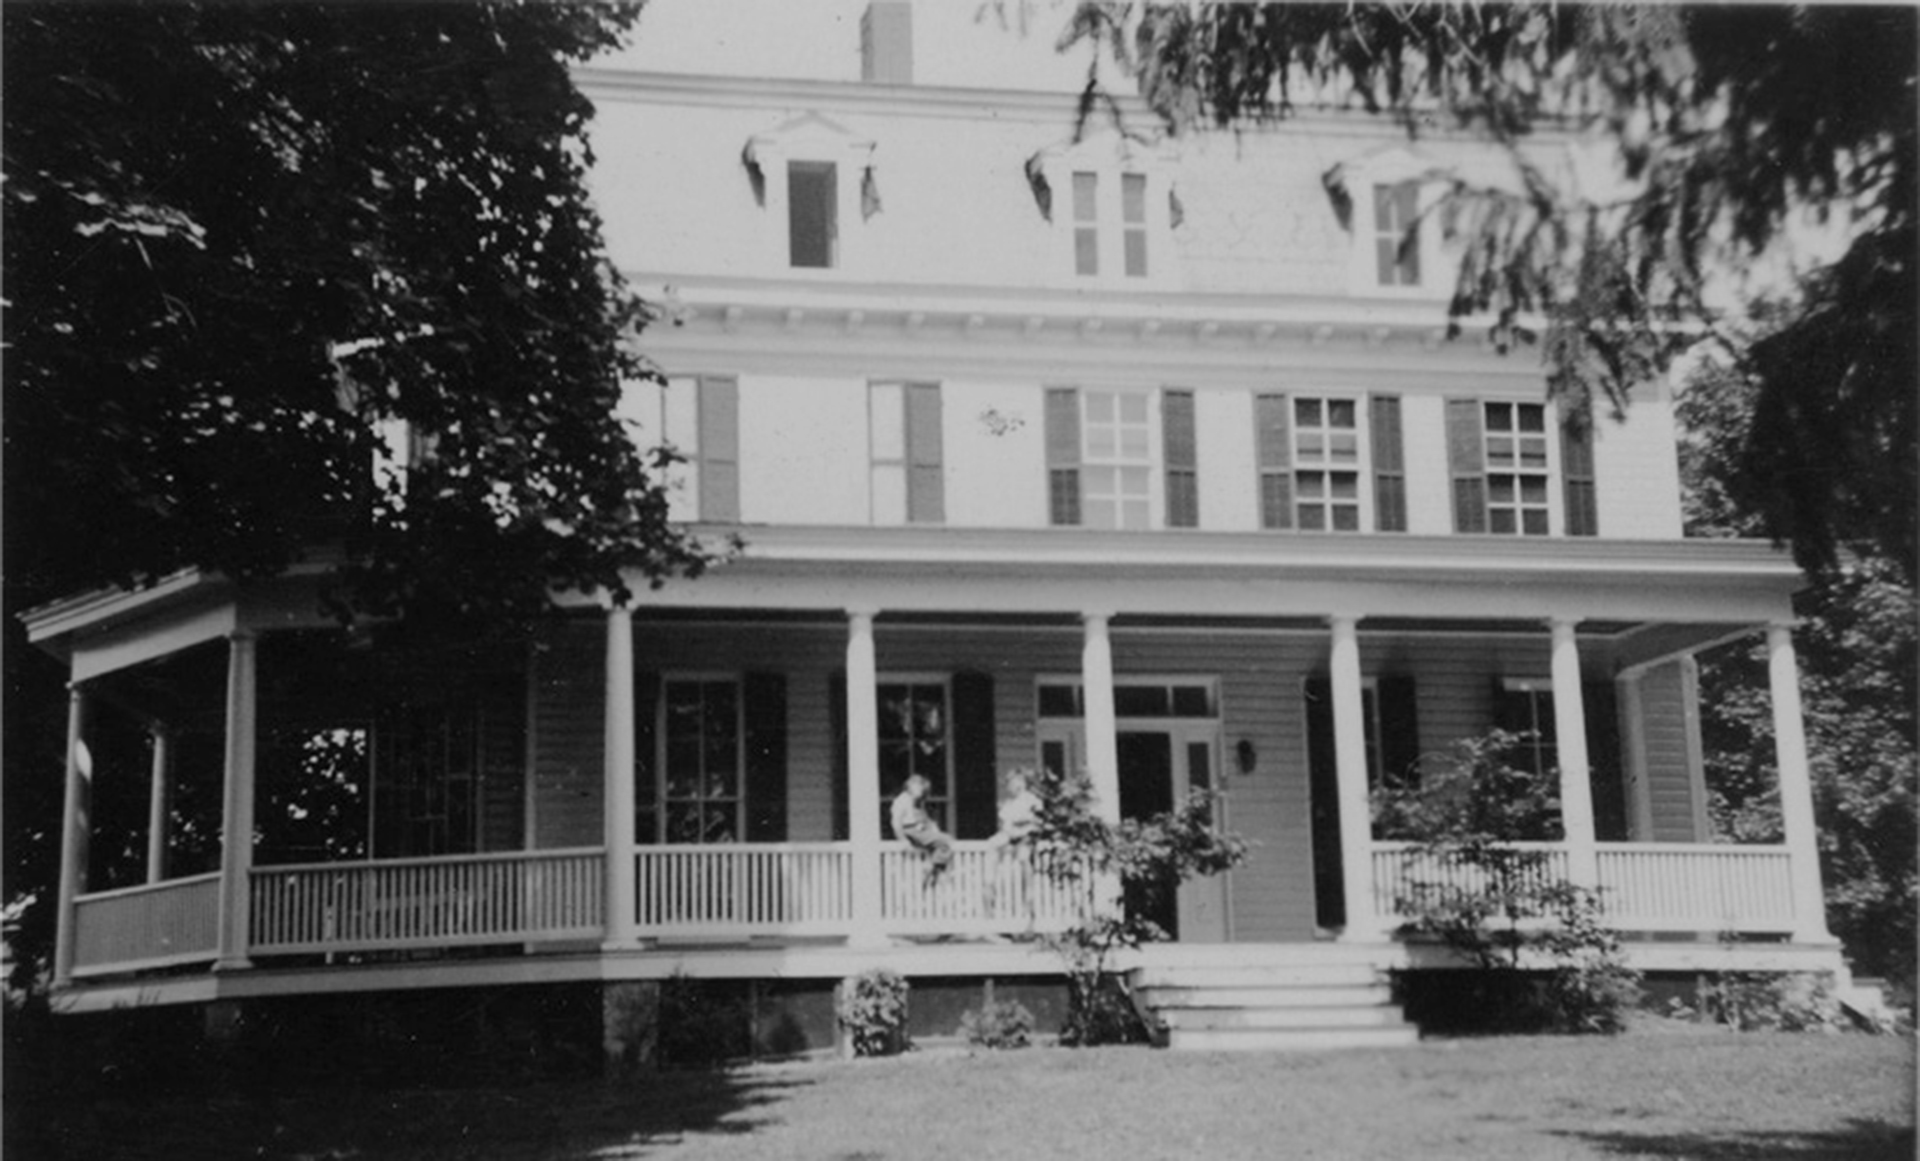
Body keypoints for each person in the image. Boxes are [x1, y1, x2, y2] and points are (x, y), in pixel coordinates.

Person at [889, 773, 953, 887]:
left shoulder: (917, 803)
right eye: (920, 788)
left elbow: (925, 820)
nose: (922, 792)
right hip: (910, 830)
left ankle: (933, 870)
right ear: (911, 786)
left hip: (919, 830)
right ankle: (932, 867)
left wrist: (933, 829)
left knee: (945, 840)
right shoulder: (902, 800)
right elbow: (896, 823)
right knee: (946, 841)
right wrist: (903, 841)